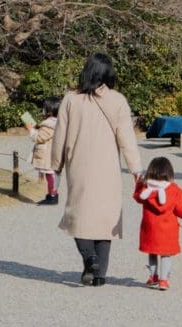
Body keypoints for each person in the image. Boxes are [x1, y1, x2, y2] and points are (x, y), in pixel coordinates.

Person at [50, 54, 142, 287]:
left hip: (79, 164)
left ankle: (89, 258)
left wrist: (55, 166)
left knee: (78, 215)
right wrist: (136, 169)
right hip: (108, 166)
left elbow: (59, 136)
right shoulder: (118, 100)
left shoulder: (71, 100)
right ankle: (99, 274)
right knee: (105, 219)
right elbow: (127, 138)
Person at [133, 156, 182, 291]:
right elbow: (180, 209)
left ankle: (153, 277)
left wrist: (139, 184)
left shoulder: (146, 190)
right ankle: (164, 280)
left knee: (152, 253)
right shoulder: (175, 190)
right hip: (168, 229)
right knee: (166, 254)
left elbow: (137, 197)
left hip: (150, 228)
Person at [27, 97, 61, 206]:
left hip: (47, 155)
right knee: (50, 175)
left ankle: (52, 196)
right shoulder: (58, 122)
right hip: (52, 153)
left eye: (44, 108)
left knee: (50, 176)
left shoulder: (49, 124)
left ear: (49, 110)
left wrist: (30, 129)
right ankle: (51, 195)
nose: (43, 110)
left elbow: (39, 138)